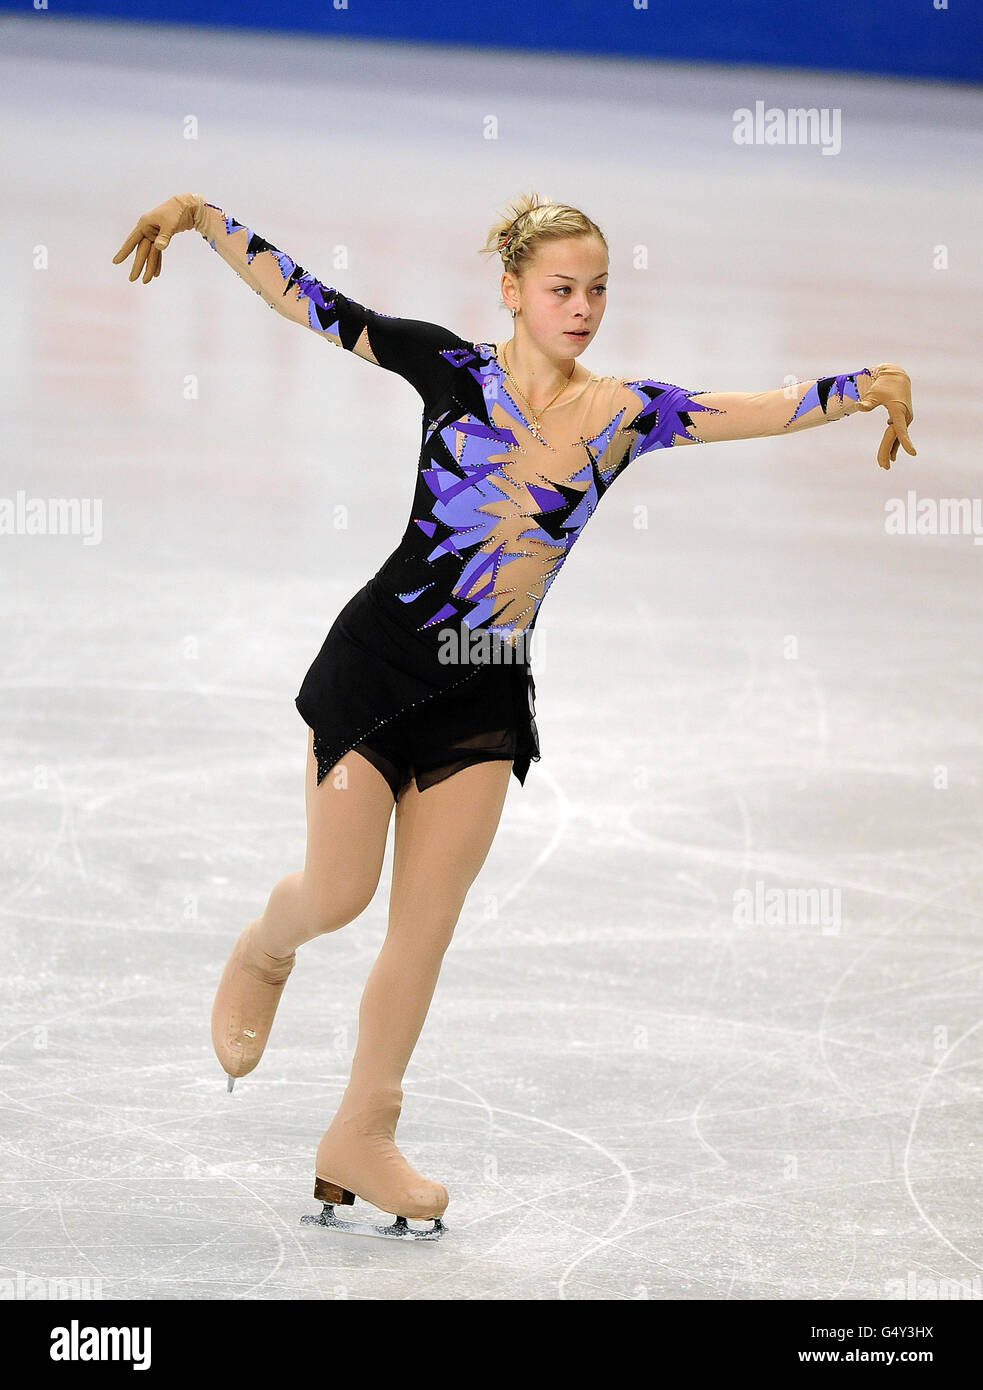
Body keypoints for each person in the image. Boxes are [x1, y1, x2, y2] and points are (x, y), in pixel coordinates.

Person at [112, 190, 916, 1232]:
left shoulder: (623, 414)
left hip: (482, 693)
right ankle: (268, 947)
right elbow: (309, 301)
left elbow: (751, 407)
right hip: (373, 670)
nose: (581, 309)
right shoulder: (448, 369)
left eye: (596, 292)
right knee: (339, 892)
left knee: (424, 929)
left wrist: (865, 388)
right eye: (560, 290)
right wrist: (199, 217)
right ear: (512, 291)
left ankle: (361, 1130)